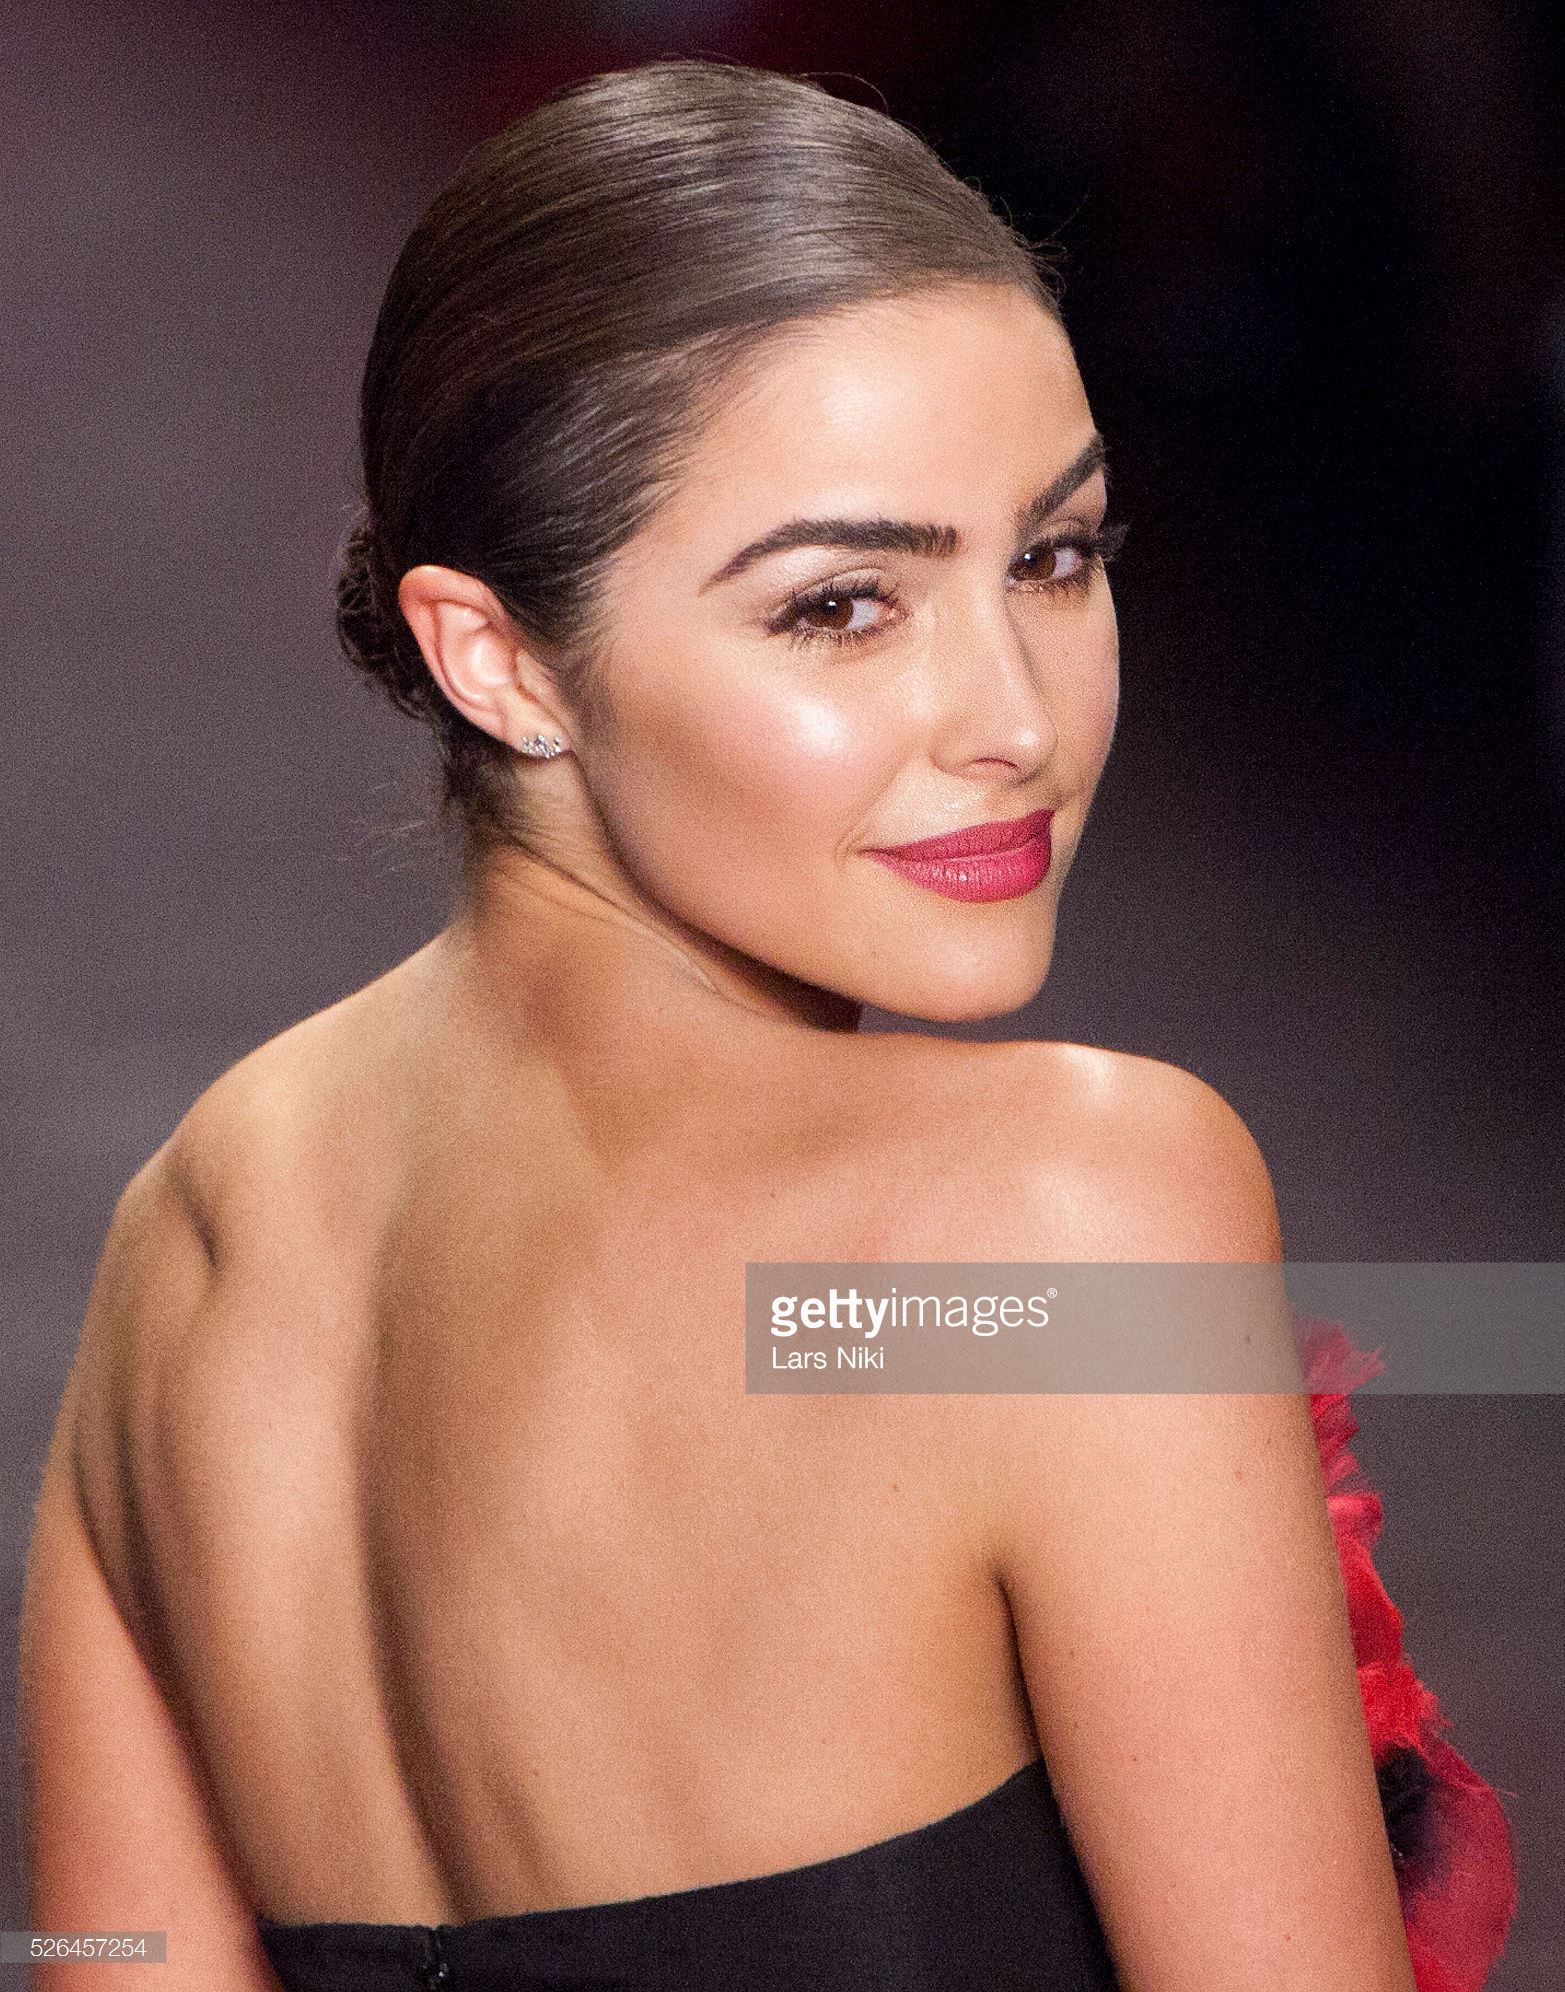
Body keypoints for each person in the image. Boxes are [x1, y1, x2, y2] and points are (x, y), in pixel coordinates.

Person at [18, 56, 1514, 1992]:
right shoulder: (1061, 1214)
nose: (1015, 716)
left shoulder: (189, 1243)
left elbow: (104, 1950)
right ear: (499, 657)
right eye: (838, 606)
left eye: (1055, 558)